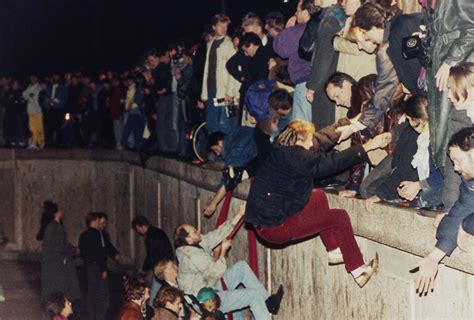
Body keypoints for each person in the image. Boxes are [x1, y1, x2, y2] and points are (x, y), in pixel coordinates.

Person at [245, 119, 391, 287]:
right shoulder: (296, 157)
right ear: (300, 139)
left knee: (318, 196)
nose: (311, 143)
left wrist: (348, 124)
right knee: (339, 217)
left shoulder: (283, 149)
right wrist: (367, 146)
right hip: (275, 228)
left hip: (269, 219)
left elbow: (320, 140)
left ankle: (334, 250)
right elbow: (331, 163)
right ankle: (358, 269)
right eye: (309, 139)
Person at [174, 206, 283, 320]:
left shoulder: (192, 244)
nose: (198, 231)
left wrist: (239, 214)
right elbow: (217, 273)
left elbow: (216, 235)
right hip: (208, 302)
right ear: (189, 240)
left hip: (209, 287)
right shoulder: (192, 256)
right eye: (195, 231)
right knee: (253, 295)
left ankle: (269, 303)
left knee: (241, 267)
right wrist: (223, 252)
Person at [411, 127, 474, 296]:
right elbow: (462, 209)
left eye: (458, 161)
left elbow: (466, 219)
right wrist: (433, 258)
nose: (455, 168)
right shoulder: (470, 180)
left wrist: (468, 224)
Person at [423, 0, 474, 169]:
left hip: (456, 68)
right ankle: (444, 176)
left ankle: (452, 177)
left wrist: (451, 61)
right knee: (439, 126)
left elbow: (472, 28)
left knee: (451, 124)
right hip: (441, 64)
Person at [273, 0, 313, 122]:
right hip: (319, 81)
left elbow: (280, 48)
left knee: (302, 125)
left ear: (306, 12)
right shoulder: (322, 25)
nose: (295, 13)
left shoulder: (300, 30)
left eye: (298, 10)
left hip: (304, 83)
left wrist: (288, 29)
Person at [200, 13, 240, 134]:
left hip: (224, 91)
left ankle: (227, 152)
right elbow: (206, 70)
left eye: (225, 26)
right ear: (214, 27)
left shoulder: (230, 45)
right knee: (211, 123)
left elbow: (234, 70)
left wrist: (230, 92)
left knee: (225, 124)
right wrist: (204, 93)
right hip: (211, 89)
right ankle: (215, 151)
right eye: (220, 26)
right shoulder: (210, 44)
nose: (223, 28)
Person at [79, 212, 121, 320]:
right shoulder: (96, 235)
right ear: (95, 221)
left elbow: (107, 247)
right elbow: (100, 253)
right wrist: (103, 269)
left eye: (104, 223)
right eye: (100, 222)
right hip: (96, 268)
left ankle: (93, 316)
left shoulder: (88, 235)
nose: (102, 225)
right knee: (102, 296)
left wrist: (115, 254)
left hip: (89, 268)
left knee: (93, 294)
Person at [41, 203, 80, 304]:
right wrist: (75, 250)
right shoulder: (55, 227)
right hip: (57, 264)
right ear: (56, 213)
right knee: (60, 291)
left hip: (54, 263)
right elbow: (60, 245)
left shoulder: (52, 227)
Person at [131, 216, 174, 304]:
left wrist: (144, 268)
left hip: (162, 268)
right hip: (167, 265)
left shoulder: (151, 236)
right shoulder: (157, 232)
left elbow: (152, 255)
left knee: (154, 291)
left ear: (140, 226)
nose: (138, 231)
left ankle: (150, 310)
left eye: (137, 229)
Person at [22, 74, 45, 149]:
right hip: (30, 111)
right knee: (32, 128)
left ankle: (41, 143)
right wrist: (29, 95)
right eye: (31, 78)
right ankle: (33, 143)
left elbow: (35, 97)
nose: (32, 79)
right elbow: (24, 94)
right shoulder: (29, 87)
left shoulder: (39, 87)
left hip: (37, 110)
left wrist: (29, 96)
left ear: (36, 79)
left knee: (39, 128)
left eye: (33, 78)